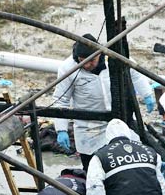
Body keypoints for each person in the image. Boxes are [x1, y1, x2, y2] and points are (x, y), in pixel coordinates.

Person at [53, 33, 156, 171]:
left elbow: (136, 74)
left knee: (123, 162)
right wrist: (61, 129)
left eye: (92, 60)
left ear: (99, 54)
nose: (87, 65)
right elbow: (61, 100)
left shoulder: (113, 57)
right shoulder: (68, 68)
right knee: (93, 169)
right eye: (83, 60)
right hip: (88, 128)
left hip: (118, 121)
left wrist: (147, 94)